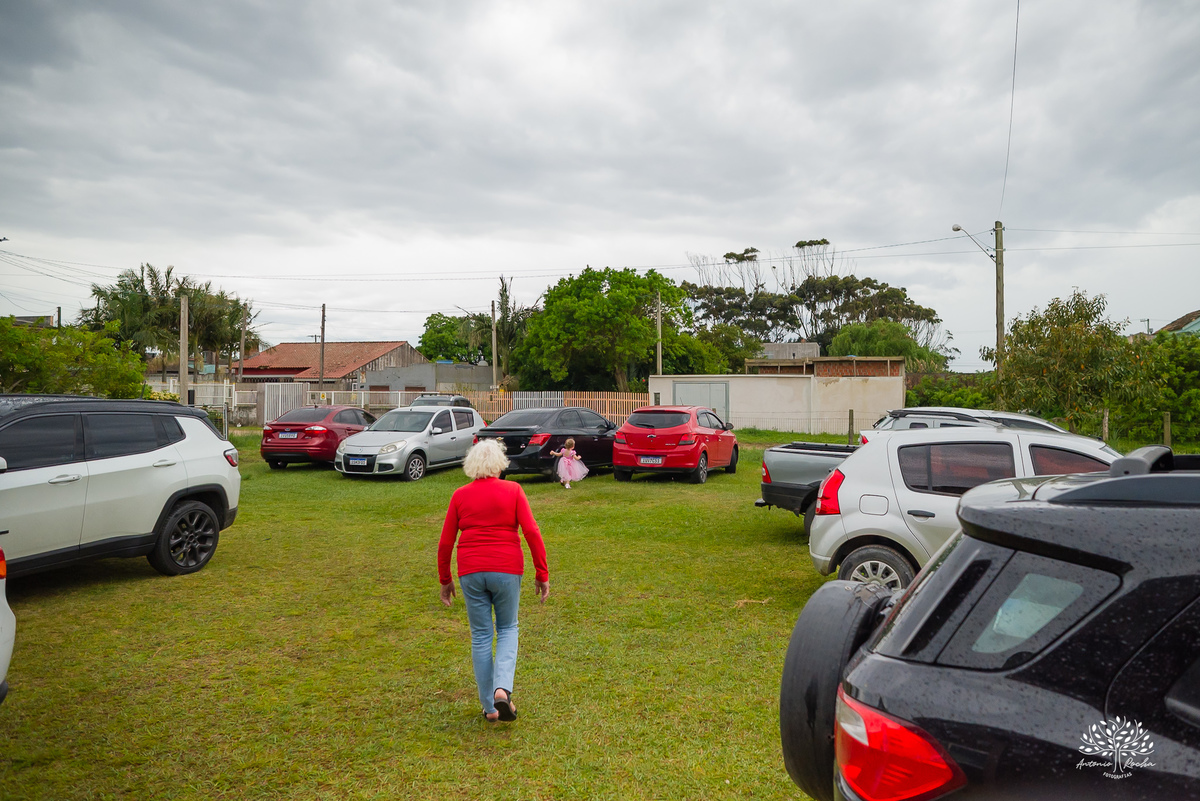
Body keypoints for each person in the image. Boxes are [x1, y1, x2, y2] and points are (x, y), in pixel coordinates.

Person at [438, 438, 550, 722]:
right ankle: (503, 689)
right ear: (500, 465)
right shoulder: (513, 490)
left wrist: (445, 579)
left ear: (472, 466)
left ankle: (489, 707)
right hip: (506, 568)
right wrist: (542, 573)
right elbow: (532, 532)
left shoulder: (460, 495)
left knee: (481, 636)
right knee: (508, 628)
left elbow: (445, 543)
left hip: (471, 571)